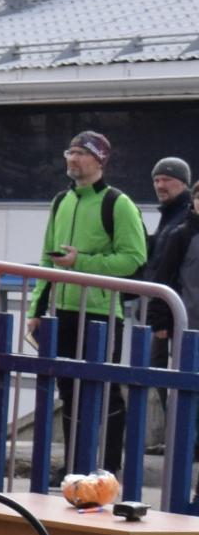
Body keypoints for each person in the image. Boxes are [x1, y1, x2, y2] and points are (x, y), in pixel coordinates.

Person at [28, 128, 146, 471]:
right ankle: (73, 470)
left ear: (99, 160)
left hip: (101, 313)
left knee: (103, 391)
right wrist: (36, 308)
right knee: (68, 392)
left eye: (81, 153)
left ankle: (109, 470)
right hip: (62, 310)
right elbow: (47, 259)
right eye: (70, 152)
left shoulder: (118, 203)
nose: (73, 158)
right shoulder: (60, 201)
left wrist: (82, 262)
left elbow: (133, 258)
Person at [144, 157, 198, 356]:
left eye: (167, 179)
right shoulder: (170, 216)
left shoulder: (185, 223)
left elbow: (169, 272)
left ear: (184, 183)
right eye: (156, 180)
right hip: (172, 315)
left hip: (178, 318)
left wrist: (159, 320)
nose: (160, 185)